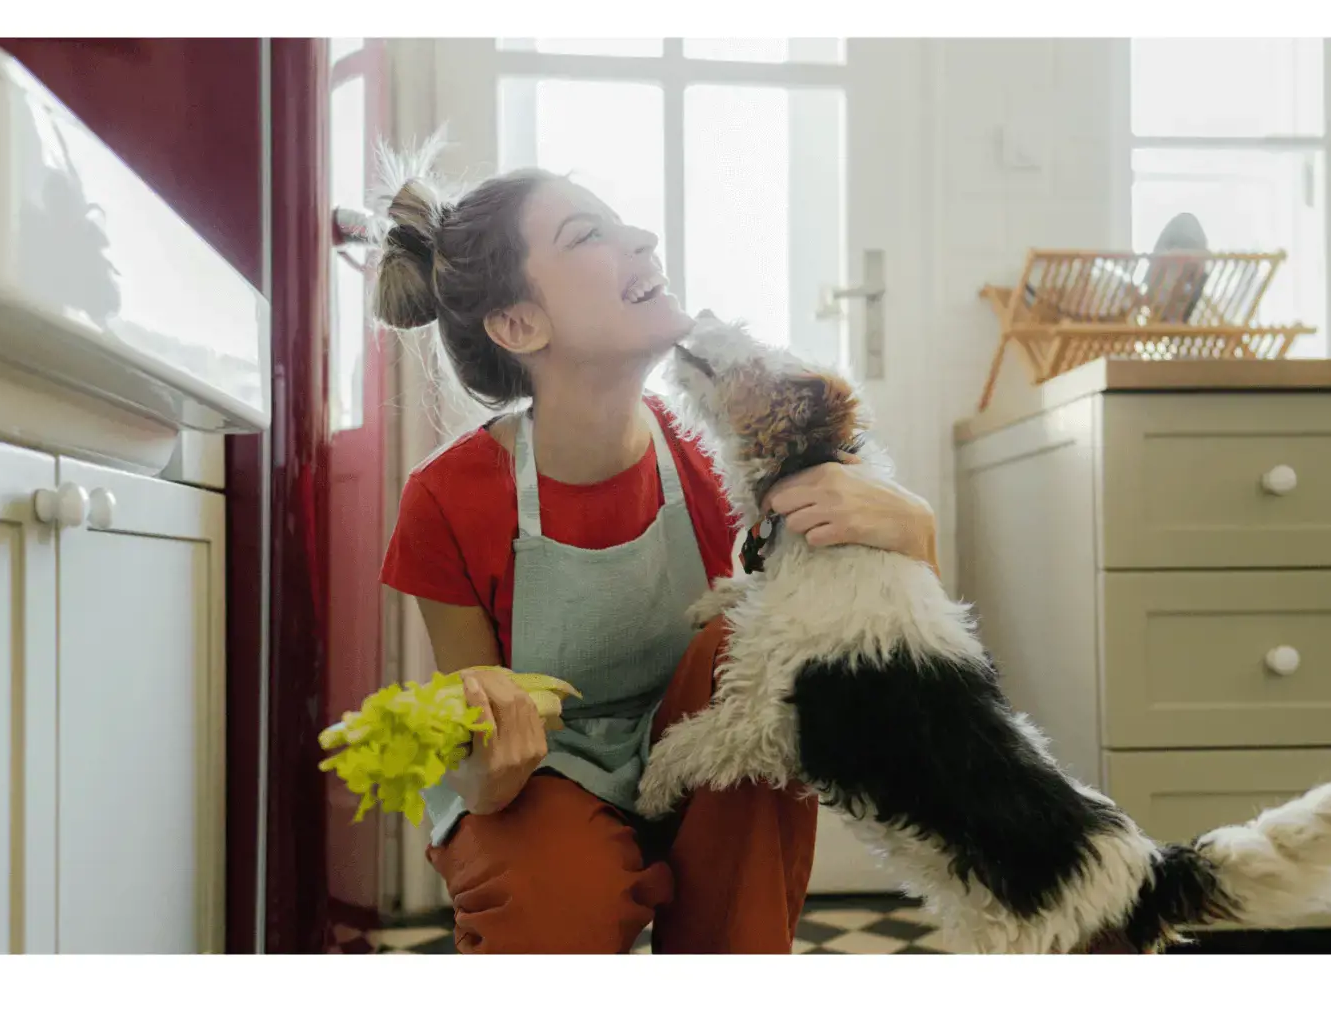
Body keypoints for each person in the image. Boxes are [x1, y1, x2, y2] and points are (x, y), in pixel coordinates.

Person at [372, 151, 940, 954]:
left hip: (707, 757)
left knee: (758, 640)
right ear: (519, 325)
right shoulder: (446, 498)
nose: (641, 238)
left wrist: (916, 535)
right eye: (588, 236)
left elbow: (881, 665)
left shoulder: (726, 461)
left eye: (622, 222)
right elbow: (471, 756)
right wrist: (487, 771)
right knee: (545, 901)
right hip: (541, 781)